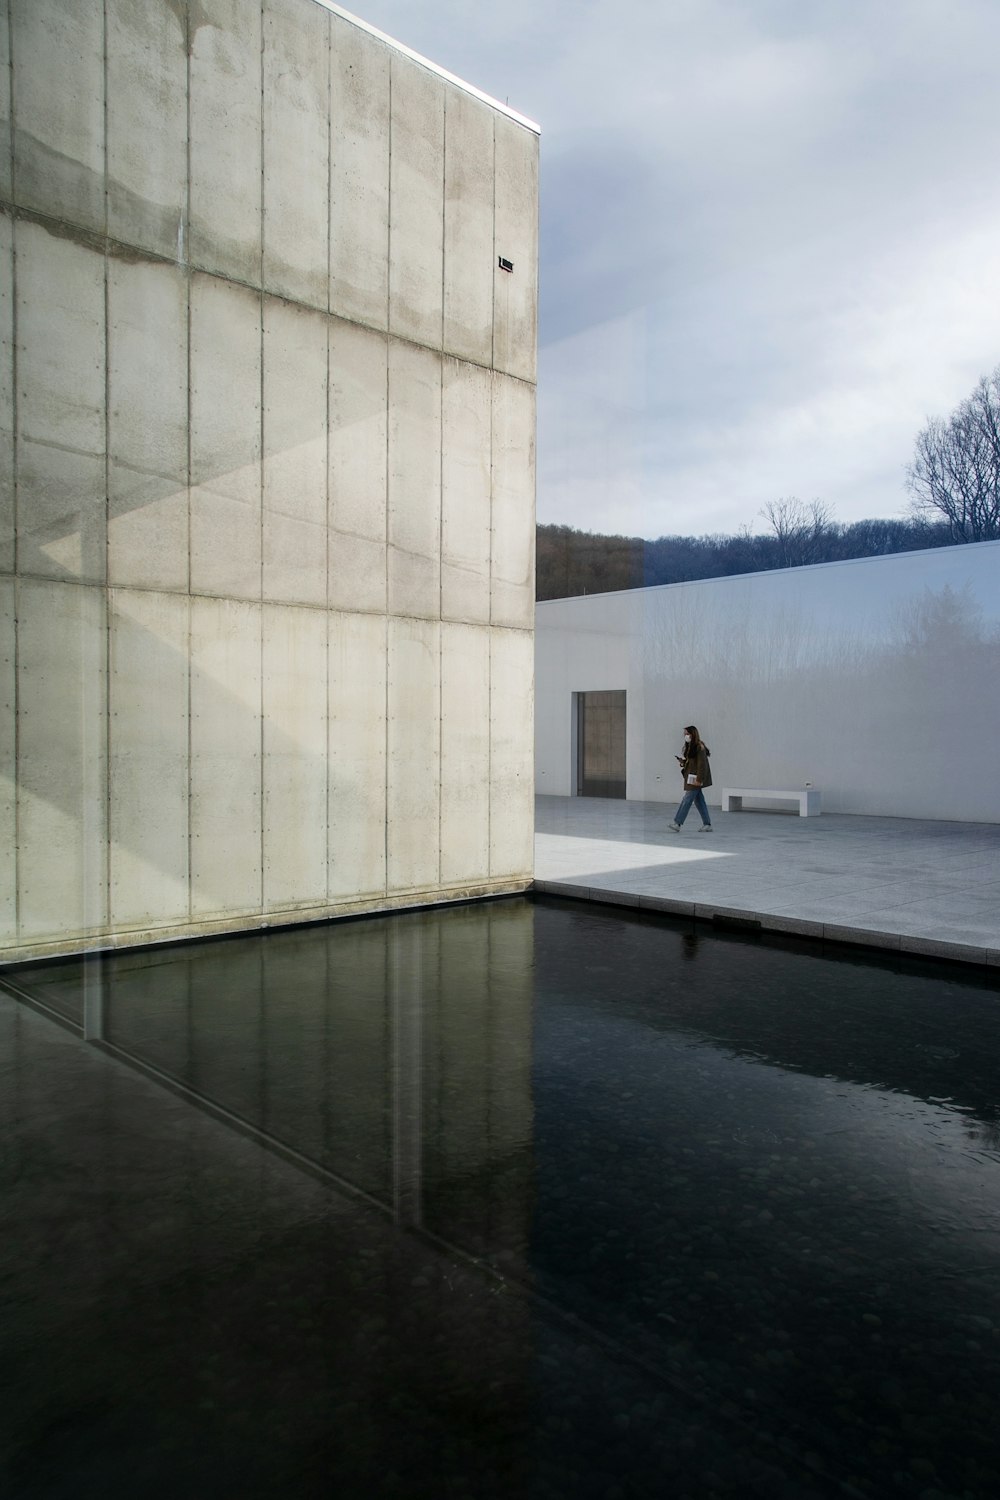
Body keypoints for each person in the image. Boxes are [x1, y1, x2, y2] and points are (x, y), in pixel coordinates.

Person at [669, 725, 713, 832]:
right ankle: (707, 824)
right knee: (699, 801)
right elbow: (692, 763)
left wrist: (699, 780)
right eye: (685, 734)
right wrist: (683, 762)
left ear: (693, 734)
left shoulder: (699, 747)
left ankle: (677, 823)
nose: (686, 736)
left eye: (687, 734)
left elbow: (702, 765)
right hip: (691, 778)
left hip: (695, 780)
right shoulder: (691, 746)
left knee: (687, 800)